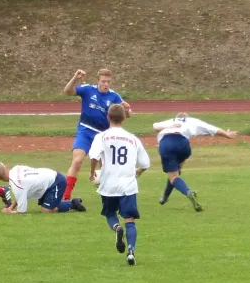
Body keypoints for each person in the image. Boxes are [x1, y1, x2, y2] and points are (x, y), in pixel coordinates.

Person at [89, 104, 150, 266]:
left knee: (110, 214)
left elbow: (94, 155)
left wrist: (92, 172)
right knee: (130, 219)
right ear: (124, 118)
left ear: (108, 118)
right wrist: (137, 173)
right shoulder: (133, 139)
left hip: (108, 184)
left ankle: (116, 228)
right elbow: (145, 163)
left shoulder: (101, 137)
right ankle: (130, 251)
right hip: (128, 186)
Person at [62, 68, 132, 202]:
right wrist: (75, 78)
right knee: (77, 161)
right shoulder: (88, 90)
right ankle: (66, 197)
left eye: (108, 82)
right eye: (103, 81)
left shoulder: (114, 96)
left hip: (102, 136)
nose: (106, 84)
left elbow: (127, 115)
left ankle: (110, 196)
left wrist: (127, 110)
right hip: (85, 131)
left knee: (107, 167)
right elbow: (67, 92)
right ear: (98, 81)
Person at [153, 112, 238, 212]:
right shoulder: (192, 121)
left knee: (173, 176)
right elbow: (212, 129)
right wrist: (226, 134)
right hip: (183, 145)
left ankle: (188, 192)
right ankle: (164, 198)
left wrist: (170, 126)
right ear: (187, 117)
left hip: (166, 143)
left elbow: (155, 126)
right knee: (177, 170)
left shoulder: (171, 121)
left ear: (176, 117)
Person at [0, 162, 86, 214]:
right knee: (45, 205)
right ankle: (66, 203)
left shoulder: (16, 185)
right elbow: (21, 194)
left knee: (46, 211)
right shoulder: (17, 168)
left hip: (56, 182)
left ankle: (73, 204)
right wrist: (11, 207)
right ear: (6, 167)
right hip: (50, 177)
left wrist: (10, 212)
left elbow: (22, 211)